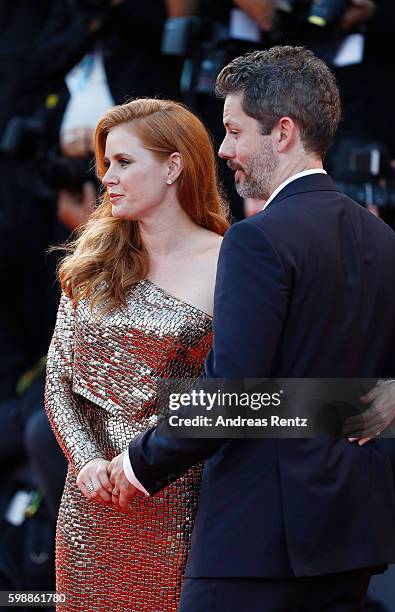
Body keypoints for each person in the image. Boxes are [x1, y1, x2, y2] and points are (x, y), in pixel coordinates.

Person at [110, 46, 395, 611]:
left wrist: (138, 461)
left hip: (256, 538)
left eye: (234, 131)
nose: (224, 150)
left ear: (284, 132)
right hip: (350, 534)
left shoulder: (257, 239)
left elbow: (233, 390)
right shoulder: (387, 244)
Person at [44, 98, 229, 610]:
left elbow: (233, 388)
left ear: (174, 166)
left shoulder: (231, 261)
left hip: (177, 497)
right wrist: (86, 462)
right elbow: (59, 379)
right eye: (106, 164)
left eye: (124, 162)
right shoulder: (93, 261)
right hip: (90, 502)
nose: (107, 177)